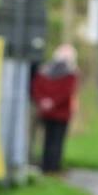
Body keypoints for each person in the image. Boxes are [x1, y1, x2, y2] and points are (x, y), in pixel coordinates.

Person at [30, 45, 79, 174]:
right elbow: (67, 92)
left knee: (47, 139)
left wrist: (43, 101)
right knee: (57, 141)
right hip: (61, 112)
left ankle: (46, 166)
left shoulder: (45, 71)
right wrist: (53, 102)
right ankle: (53, 167)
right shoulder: (70, 73)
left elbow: (36, 87)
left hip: (47, 112)